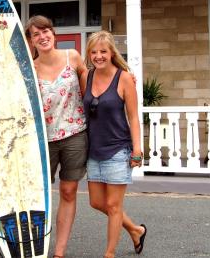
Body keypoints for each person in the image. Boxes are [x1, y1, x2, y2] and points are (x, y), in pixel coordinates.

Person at [25, 15, 88, 258]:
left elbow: (92, 85)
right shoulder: (30, 68)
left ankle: (59, 252)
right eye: (35, 34)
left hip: (75, 135)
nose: (42, 37)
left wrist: (123, 76)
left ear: (53, 33)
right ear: (30, 41)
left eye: (45, 31)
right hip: (43, 141)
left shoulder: (72, 56)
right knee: (39, 195)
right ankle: (35, 247)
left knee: (69, 192)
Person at [80, 31, 147, 258]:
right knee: (97, 203)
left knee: (114, 205)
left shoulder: (124, 78)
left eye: (103, 51)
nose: (98, 56)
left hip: (118, 149)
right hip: (94, 150)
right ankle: (135, 230)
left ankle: (109, 253)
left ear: (111, 54)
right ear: (89, 54)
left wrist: (137, 150)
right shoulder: (86, 77)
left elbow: (134, 117)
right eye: (94, 52)